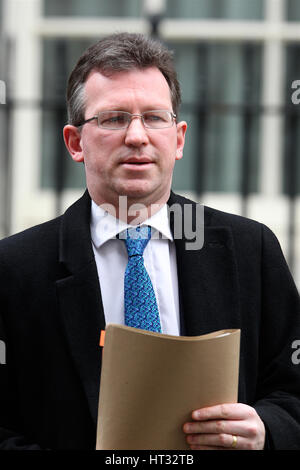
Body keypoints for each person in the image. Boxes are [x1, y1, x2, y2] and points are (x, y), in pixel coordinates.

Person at [0, 32, 299, 451]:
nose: (137, 136)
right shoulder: (14, 268)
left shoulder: (250, 249)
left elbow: (292, 392)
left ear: (177, 139)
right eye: (114, 118)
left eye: (154, 117)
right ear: (74, 142)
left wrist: (265, 430)